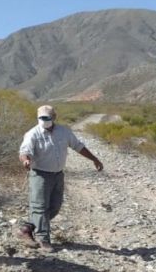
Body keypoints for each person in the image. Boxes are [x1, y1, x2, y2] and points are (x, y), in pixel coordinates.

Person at [18, 105, 103, 252]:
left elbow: (78, 146)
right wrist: (25, 160)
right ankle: (43, 240)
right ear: (38, 118)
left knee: (55, 207)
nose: (44, 120)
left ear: (54, 117)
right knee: (40, 208)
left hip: (58, 175)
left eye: (47, 118)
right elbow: (24, 151)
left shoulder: (64, 132)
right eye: (41, 118)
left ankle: (27, 228)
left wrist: (94, 159)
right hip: (40, 175)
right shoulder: (33, 134)